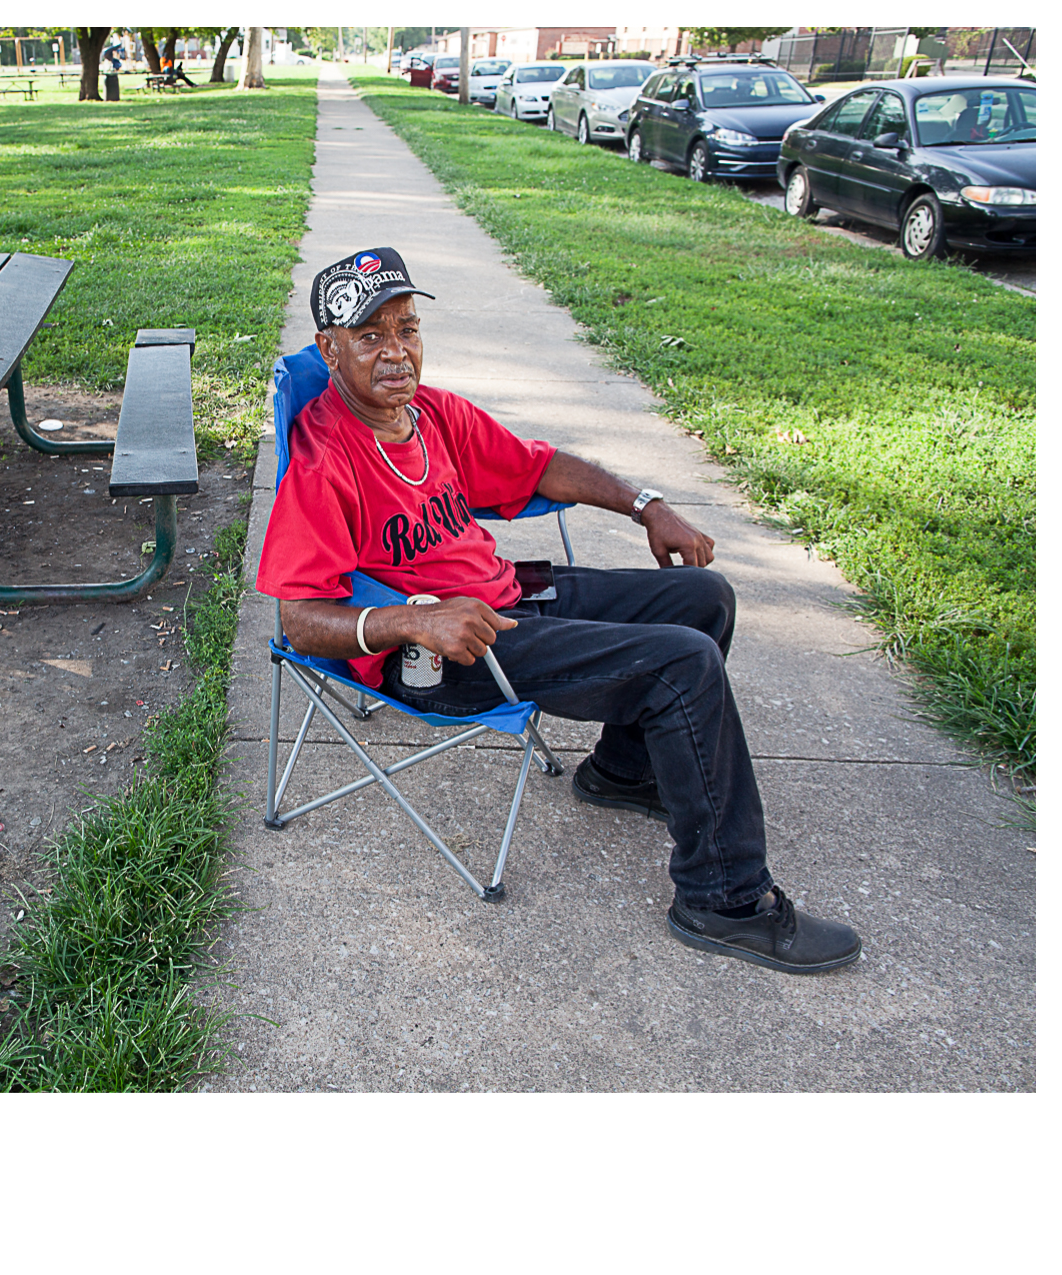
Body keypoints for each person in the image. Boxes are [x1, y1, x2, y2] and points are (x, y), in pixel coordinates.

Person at [257, 247, 863, 975]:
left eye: (407, 327)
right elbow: (299, 619)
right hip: (446, 653)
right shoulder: (326, 458)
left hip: (513, 596)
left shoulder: (432, 415)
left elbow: (538, 466)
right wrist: (416, 621)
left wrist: (648, 504)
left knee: (705, 598)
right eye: (369, 335)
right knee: (683, 664)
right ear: (328, 350)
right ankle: (725, 898)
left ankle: (624, 770)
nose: (396, 352)